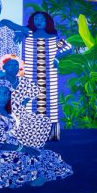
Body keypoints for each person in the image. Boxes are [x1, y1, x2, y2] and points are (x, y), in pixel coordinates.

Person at [0, 79, 72, 190]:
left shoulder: (9, 114)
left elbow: (14, 134)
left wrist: (26, 145)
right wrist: (22, 148)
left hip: (15, 148)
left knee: (48, 155)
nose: (3, 97)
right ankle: (27, 177)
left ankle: (38, 175)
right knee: (23, 159)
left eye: (6, 93)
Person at [19, 11, 76, 140]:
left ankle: (50, 135)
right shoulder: (28, 35)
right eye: (36, 19)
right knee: (31, 104)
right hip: (31, 76)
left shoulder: (52, 38)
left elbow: (69, 46)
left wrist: (56, 57)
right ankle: (31, 134)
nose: (38, 21)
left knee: (49, 104)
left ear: (47, 22)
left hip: (49, 76)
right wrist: (18, 32)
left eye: (42, 19)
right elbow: (8, 23)